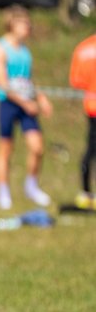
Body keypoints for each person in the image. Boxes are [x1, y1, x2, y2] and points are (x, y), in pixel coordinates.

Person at [0, 5, 53, 210]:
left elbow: (28, 79)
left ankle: (31, 186)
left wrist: (40, 97)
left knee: (37, 147)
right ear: (12, 24)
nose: (28, 27)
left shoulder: (25, 51)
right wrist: (25, 103)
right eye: (24, 23)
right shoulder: (0, 48)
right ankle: (3, 191)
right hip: (9, 103)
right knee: (6, 149)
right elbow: (3, 83)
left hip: (28, 104)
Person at [69, 33, 96, 210]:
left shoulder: (84, 47)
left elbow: (76, 80)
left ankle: (86, 191)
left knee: (91, 149)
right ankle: (86, 193)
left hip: (91, 106)